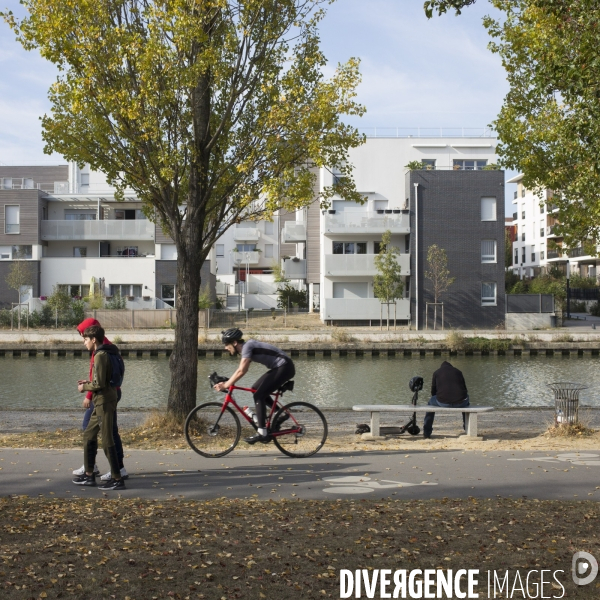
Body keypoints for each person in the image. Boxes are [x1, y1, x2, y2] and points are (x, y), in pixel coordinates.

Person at [213, 328, 295, 444]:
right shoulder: (247, 348)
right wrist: (227, 380)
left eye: (227, 344)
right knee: (255, 389)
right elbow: (240, 369)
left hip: (284, 367)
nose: (225, 348)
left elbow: (242, 371)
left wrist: (226, 385)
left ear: (235, 343)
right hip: (281, 367)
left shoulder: (247, 347)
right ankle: (279, 413)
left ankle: (262, 432)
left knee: (259, 396)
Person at [73, 318, 128, 481]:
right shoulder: (109, 348)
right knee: (94, 432)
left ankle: (116, 473)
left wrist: (87, 391)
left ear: (93, 337)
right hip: (109, 394)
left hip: (104, 397)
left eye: (84, 337)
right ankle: (93, 469)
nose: (83, 340)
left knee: (106, 435)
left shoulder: (100, 353)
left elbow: (98, 380)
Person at [423, 360, 470, 439]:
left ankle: (427, 432)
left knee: (430, 404)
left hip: (442, 401)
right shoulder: (458, 372)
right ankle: (467, 428)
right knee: (466, 400)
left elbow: (433, 391)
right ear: (451, 367)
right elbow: (465, 389)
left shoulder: (436, 373)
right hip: (460, 402)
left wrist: (439, 397)